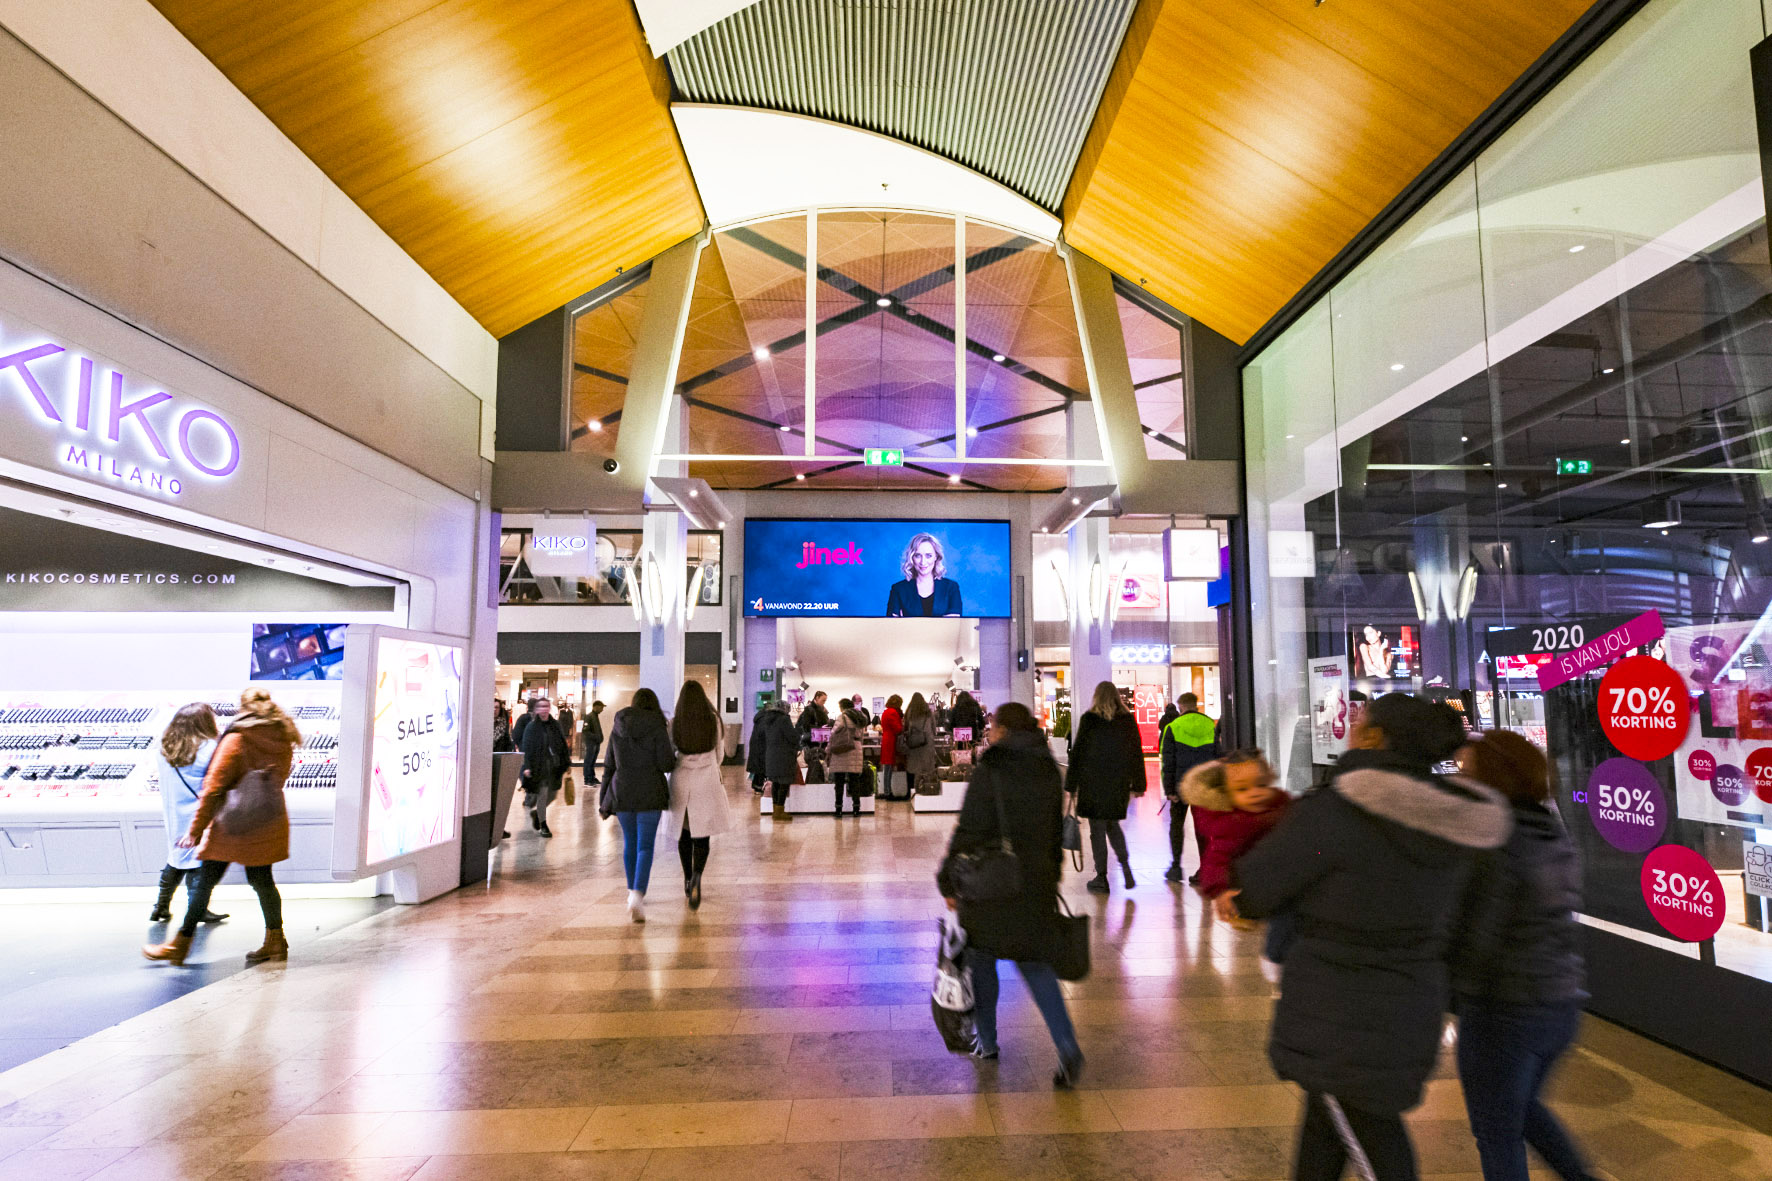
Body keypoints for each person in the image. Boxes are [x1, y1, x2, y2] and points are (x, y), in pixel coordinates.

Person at [1222, 693, 1512, 1181]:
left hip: (1340, 1008)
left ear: (1376, 738)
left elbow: (1258, 888)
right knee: (1330, 1125)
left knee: (1368, 1133)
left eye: (1359, 722)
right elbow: (1479, 922)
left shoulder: (1335, 812)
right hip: (1414, 999)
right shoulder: (1465, 823)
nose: (1351, 727)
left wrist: (1238, 893)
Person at [1449, 732, 1596, 1181]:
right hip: (1560, 1001)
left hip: (1504, 1010)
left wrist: (1445, 989)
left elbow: (1480, 938)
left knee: (1497, 1133)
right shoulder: (1550, 831)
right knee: (1524, 1110)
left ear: (1491, 780)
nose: (1460, 782)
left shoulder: (1497, 843)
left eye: (1467, 773)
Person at [937, 702, 1082, 1087]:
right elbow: (1053, 831)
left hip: (990, 882)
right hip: (1035, 882)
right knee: (1035, 964)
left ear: (1001, 730)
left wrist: (947, 879)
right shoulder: (1048, 767)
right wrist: (1052, 877)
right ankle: (1067, 1045)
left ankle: (987, 1042)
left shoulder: (992, 767)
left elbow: (969, 828)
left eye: (992, 726)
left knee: (982, 960)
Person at [144, 689, 300, 967]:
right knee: (263, 881)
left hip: (232, 824)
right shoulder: (283, 737)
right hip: (268, 820)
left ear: (244, 708)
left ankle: (180, 945)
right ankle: (275, 941)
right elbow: (280, 776)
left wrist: (195, 829)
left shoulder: (237, 737)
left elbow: (214, 788)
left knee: (205, 881)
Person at [149, 703, 228, 926]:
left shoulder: (165, 748)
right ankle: (198, 909)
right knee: (198, 861)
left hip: (174, 813)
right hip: (198, 812)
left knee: (176, 858)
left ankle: (160, 907)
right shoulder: (209, 748)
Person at [1065, 681, 1145, 893]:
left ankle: (1101, 877)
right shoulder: (1127, 720)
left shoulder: (1089, 719)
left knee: (1097, 830)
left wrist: (1071, 784)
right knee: (1112, 825)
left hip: (1093, 782)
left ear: (1096, 696)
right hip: (1118, 783)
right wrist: (1139, 784)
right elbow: (1136, 753)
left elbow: (1078, 753)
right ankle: (1125, 866)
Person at [1181, 749, 1289, 904]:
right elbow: (1215, 862)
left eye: (1261, 785)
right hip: (1252, 897)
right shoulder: (1231, 827)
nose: (1255, 793)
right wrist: (1220, 892)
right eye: (1242, 789)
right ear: (1228, 794)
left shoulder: (1281, 810)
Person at [605, 688, 675, 922]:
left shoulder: (618, 725)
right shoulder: (657, 726)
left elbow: (609, 764)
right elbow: (666, 763)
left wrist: (604, 798)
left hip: (623, 790)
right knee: (645, 846)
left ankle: (630, 892)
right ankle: (637, 894)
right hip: (650, 791)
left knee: (630, 843)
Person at [663, 681, 732, 911]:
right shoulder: (714, 721)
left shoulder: (675, 722)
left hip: (681, 779)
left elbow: (671, 751)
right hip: (706, 779)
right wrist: (709, 764)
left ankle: (686, 878)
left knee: (684, 833)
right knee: (702, 834)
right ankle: (697, 875)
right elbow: (720, 754)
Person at [1160, 692, 1220, 883]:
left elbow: (1168, 762)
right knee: (1202, 827)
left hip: (1181, 785)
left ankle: (1176, 867)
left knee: (1176, 825)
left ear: (1181, 707)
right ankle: (1205, 869)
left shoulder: (1173, 727)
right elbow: (1217, 757)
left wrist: (1169, 790)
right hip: (1203, 785)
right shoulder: (1210, 725)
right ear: (1196, 705)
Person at [517, 697, 569, 837]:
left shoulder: (555, 725)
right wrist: (527, 766)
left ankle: (536, 813)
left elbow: (562, 744)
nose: (544, 709)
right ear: (536, 709)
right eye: (541, 706)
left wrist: (566, 762)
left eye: (546, 706)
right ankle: (543, 824)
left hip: (554, 766)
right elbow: (526, 748)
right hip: (539, 766)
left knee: (553, 794)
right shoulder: (531, 727)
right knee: (543, 794)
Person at [885, 532, 963, 616]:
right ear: (911, 558)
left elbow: (954, 623)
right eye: (918, 555)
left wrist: (906, 620)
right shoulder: (898, 589)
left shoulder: (951, 587)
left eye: (928, 556)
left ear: (936, 557)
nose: (923, 562)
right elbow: (892, 623)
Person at [747, 698, 800, 822]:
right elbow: (792, 737)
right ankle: (779, 811)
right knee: (784, 783)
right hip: (784, 756)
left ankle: (776, 810)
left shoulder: (768, 719)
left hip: (771, 755)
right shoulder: (784, 719)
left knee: (775, 782)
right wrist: (797, 733)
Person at [827, 698, 869, 816]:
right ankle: (856, 809)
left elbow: (833, 735)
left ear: (842, 707)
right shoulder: (860, 717)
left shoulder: (842, 717)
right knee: (855, 780)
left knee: (839, 781)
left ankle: (838, 809)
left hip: (842, 749)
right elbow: (861, 736)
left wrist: (828, 751)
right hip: (856, 747)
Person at [900, 692, 938, 796]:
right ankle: (926, 790)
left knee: (912, 769)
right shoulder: (928, 713)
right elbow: (934, 729)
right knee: (927, 769)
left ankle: (910, 792)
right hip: (927, 744)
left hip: (914, 744)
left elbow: (905, 729)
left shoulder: (909, 712)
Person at [878, 694, 905, 799]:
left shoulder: (886, 712)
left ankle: (887, 791)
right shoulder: (893, 712)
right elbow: (898, 728)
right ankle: (887, 792)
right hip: (891, 740)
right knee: (888, 768)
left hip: (886, 739)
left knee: (887, 767)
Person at [584, 700, 606, 785]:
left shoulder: (595, 716)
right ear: (596, 707)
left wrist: (600, 738)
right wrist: (596, 737)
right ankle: (587, 780)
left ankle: (592, 777)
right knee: (589, 761)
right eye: (601, 707)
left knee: (592, 761)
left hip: (596, 743)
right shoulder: (589, 716)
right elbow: (585, 731)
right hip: (591, 743)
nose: (602, 710)